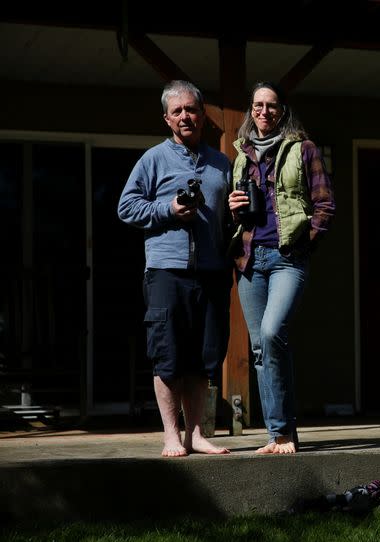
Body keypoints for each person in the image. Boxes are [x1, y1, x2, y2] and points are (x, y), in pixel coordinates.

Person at [118, 80, 232, 457]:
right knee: (168, 355)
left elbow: (232, 219)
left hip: (213, 271)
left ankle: (196, 434)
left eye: (192, 109)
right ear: (167, 119)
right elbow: (127, 207)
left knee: (203, 357)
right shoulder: (152, 159)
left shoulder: (221, 163)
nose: (186, 116)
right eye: (178, 111)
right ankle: (171, 434)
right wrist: (167, 210)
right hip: (166, 270)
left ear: (203, 115)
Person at [228, 81, 335, 454]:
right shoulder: (241, 154)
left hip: (288, 257)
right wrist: (235, 207)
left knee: (274, 333)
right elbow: (241, 214)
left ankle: (285, 430)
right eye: (257, 105)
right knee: (259, 348)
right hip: (250, 259)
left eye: (271, 105)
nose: (264, 111)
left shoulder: (304, 149)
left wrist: (305, 243)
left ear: (282, 111)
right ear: (250, 111)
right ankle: (276, 436)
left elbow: (324, 204)